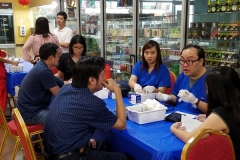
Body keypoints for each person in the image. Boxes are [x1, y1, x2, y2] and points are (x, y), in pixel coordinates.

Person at [43, 56, 133, 160]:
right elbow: (122, 124)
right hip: (69, 156)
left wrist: (82, 140)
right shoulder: (92, 103)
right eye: (103, 74)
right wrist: (117, 91)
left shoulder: (67, 88)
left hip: (52, 152)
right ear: (92, 80)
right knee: (126, 158)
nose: (106, 78)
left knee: (104, 145)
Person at [170, 66, 240, 159]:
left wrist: (174, 129)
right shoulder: (235, 105)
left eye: (207, 89)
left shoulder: (222, 113)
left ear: (216, 92)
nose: (206, 92)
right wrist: (209, 119)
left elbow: (190, 138)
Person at [17, 43, 67, 125]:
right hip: (31, 113)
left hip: (25, 109)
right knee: (64, 119)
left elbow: (57, 81)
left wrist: (70, 83)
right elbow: (59, 94)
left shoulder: (41, 66)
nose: (59, 58)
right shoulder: (43, 71)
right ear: (51, 57)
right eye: (58, 56)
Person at [156, 45, 208, 114]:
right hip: (178, 116)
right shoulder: (183, 76)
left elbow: (217, 112)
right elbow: (176, 97)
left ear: (201, 61)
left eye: (189, 61)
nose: (185, 65)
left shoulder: (212, 80)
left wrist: (196, 101)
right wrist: (168, 97)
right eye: (182, 60)